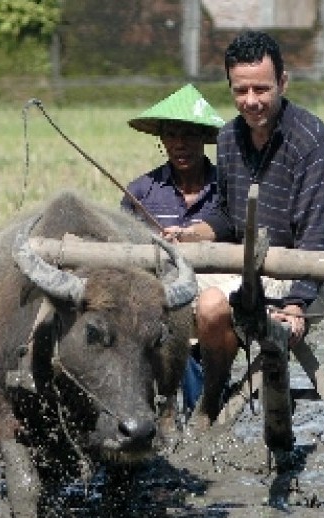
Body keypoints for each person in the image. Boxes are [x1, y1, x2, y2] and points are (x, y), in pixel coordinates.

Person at [163, 31, 324, 427]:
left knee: (211, 306)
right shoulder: (229, 137)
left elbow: (317, 242)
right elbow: (230, 217)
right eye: (240, 90)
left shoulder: (313, 144)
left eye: (261, 89)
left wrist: (296, 305)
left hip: (304, 276)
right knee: (157, 296)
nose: (251, 101)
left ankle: (211, 403)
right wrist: (193, 233)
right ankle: (164, 410)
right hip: (245, 266)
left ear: (283, 82)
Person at [121, 83, 226, 414]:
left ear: (204, 139)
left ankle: (203, 407)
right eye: (172, 135)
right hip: (157, 293)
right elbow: (122, 251)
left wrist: (194, 237)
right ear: (162, 139)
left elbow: (240, 234)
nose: (180, 144)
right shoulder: (142, 192)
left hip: (218, 295)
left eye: (190, 135)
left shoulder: (227, 189)